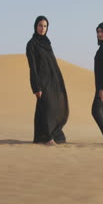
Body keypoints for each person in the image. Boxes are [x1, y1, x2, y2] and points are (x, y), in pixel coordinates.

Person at [26, 15, 69, 145]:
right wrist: (36, 86)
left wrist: (59, 80)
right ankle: (48, 138)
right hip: (42, 82)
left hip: (53, 80)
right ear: (35, 26)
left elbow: (52, 63)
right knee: (46, 108)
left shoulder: (47, 43)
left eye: (45, 26)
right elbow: (32, 67)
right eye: (40, 25)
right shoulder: (31, 44)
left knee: (50, 108)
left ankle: (43, 137)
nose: (42, 28)